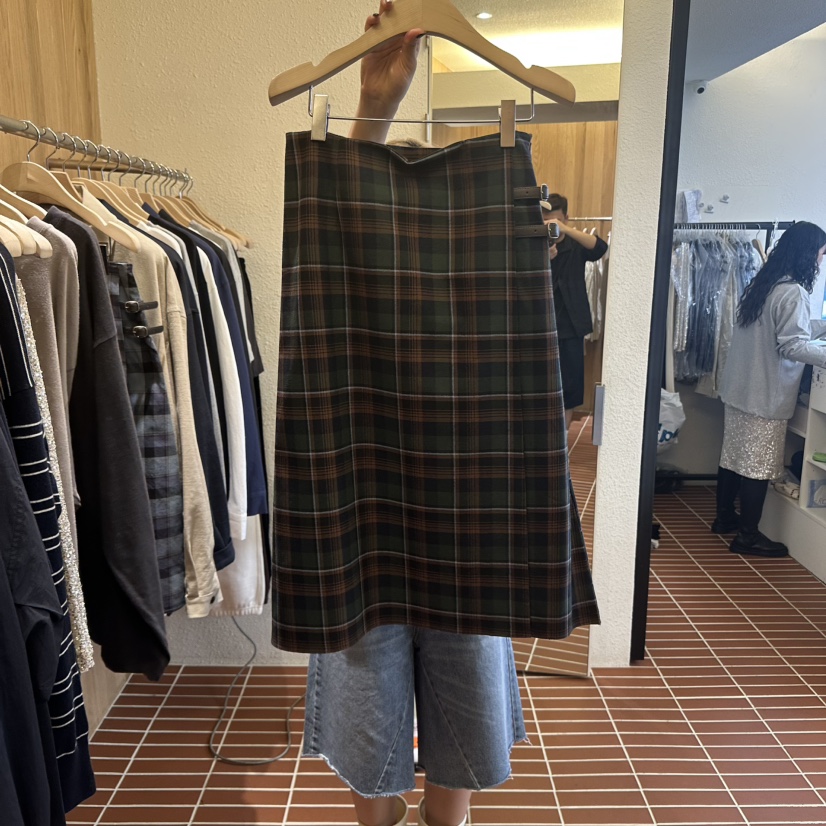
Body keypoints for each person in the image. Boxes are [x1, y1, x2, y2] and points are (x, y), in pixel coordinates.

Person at [715, 221, 826, 557]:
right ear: (808, 254)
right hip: (764, 396)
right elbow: (792, 345)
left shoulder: (765, 283)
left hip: (739, 389)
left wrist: (819, 327)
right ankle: (747, 537)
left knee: (733, 458)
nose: (821, 261)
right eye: (821, 254)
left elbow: (780, 328)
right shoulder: (794, 292)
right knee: (758, 467)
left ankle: (724, 519)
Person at [541, 196, 609, 429]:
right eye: (546, 222)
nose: (551, 227)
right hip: (539, 326)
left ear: (566, 218)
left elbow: (601, 248)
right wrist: (542, 259)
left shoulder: (575, 244)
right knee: (539, 383)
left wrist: (566, 230)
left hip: (570, 326)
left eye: (555, 221)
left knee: (570, 385)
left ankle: (563, 436)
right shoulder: (534, 246)